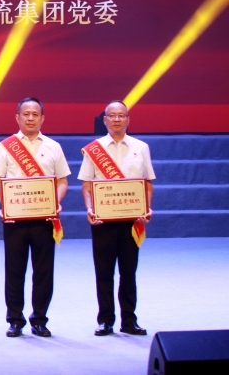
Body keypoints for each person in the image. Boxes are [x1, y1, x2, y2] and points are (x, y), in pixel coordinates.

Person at [0, 97, 70, 337]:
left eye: (35, 114)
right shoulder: (5, 146)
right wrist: (6, 204)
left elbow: (62, 181)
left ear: (42, 118)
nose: (31, 118)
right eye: (26, 114)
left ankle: (39, 319)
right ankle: (15, 319)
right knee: (14, 270)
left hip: (44, 219)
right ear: (18, 117)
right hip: (15, 219)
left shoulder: (53, 147)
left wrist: (55, 202)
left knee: (44, 271)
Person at [79, 100, 155, 337]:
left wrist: (147, 208)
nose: (117, 119)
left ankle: (129, 320)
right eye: (112, 116)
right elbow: (87, 186)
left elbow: (147, 184)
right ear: (105, 120)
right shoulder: (94, 149)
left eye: (121, 115)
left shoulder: (141, 147)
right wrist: (90, 208)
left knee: (128, 273)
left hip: (131, 221)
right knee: (104, 273)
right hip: (103, 221)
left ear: (128, 119)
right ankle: (105, 320)